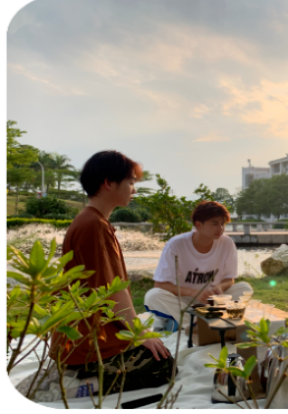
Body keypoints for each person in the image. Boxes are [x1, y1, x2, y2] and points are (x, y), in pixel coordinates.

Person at [50, 151, 174, 395]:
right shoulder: (93, 226)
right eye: (130, 182)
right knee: (163, 365)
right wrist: (140, 334)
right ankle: (81, 387)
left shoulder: (93, 221)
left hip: (86, 340)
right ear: (108, 183)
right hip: (89, 347)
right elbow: (112, 292)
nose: (134, 190)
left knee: (158, 350)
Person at [144, 201, 253, 332]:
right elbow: (160, 285)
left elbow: (229, 280)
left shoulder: (227, 243)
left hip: (213, 301)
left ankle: (191, 321)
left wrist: (219, 287)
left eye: (222, 223)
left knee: (244, 288)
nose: (220, 228)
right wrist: (193, 293)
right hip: (184, 301)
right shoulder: (176, 245)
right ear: (198, 225)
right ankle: (197, 324)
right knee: (153, 295)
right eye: (214, 223)